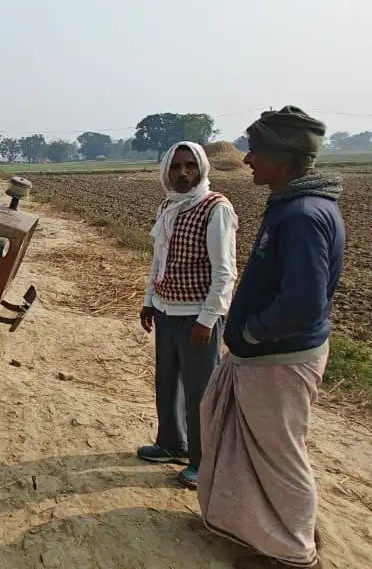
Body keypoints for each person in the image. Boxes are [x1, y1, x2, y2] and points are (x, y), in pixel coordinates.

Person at [198, 106, 344, 569]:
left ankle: (294, 555)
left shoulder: (302, 214)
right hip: (267, 358)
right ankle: (265, 527)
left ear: (282, 157)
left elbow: (303, 301)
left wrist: (250, 332)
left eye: (256, 150)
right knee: (251, 441)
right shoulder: (294, 205)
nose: (247, 159)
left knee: (280, 455)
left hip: (279, 359)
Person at [137, 142, 238, 490]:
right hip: (166, 311)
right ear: (166, 170)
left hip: (196, 317)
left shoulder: (215, 208)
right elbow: (159, 259)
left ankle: (203, 462)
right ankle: (171, 443)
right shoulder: (168, 206)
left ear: (201, 169)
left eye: (190, 166)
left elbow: (225, 272)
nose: (182, 173)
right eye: (176, 166)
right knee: (167, 383)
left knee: (200, 392)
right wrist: (149, 300)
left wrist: (208, 319)